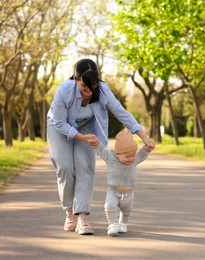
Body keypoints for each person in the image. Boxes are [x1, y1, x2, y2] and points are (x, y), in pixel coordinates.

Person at [46, 58, 155, 235]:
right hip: (60, 126)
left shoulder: (103, 90)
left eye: (92, 87)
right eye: (84, 88)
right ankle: (69, 212)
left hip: (88, 125)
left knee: (85, 166)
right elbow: (59, 122)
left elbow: (121, 112)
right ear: (75, 79)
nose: (88, 93)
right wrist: (82, 137)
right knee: (65, 167)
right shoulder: (64, 91)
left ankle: (82, 216)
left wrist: (144, 137)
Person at [93, 130, 151, 236]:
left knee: (127, 210)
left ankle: (123, 224)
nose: (131, 159)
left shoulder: (134, 159)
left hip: (129, 192)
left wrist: (147, 149)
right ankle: (113, 224)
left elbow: (142, 155)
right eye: (127, 156)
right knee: (109, 206)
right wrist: (96, 143)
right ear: (118, 153)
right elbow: (101, 150)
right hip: (113, 190)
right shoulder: (110, 157)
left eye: (133, 155)